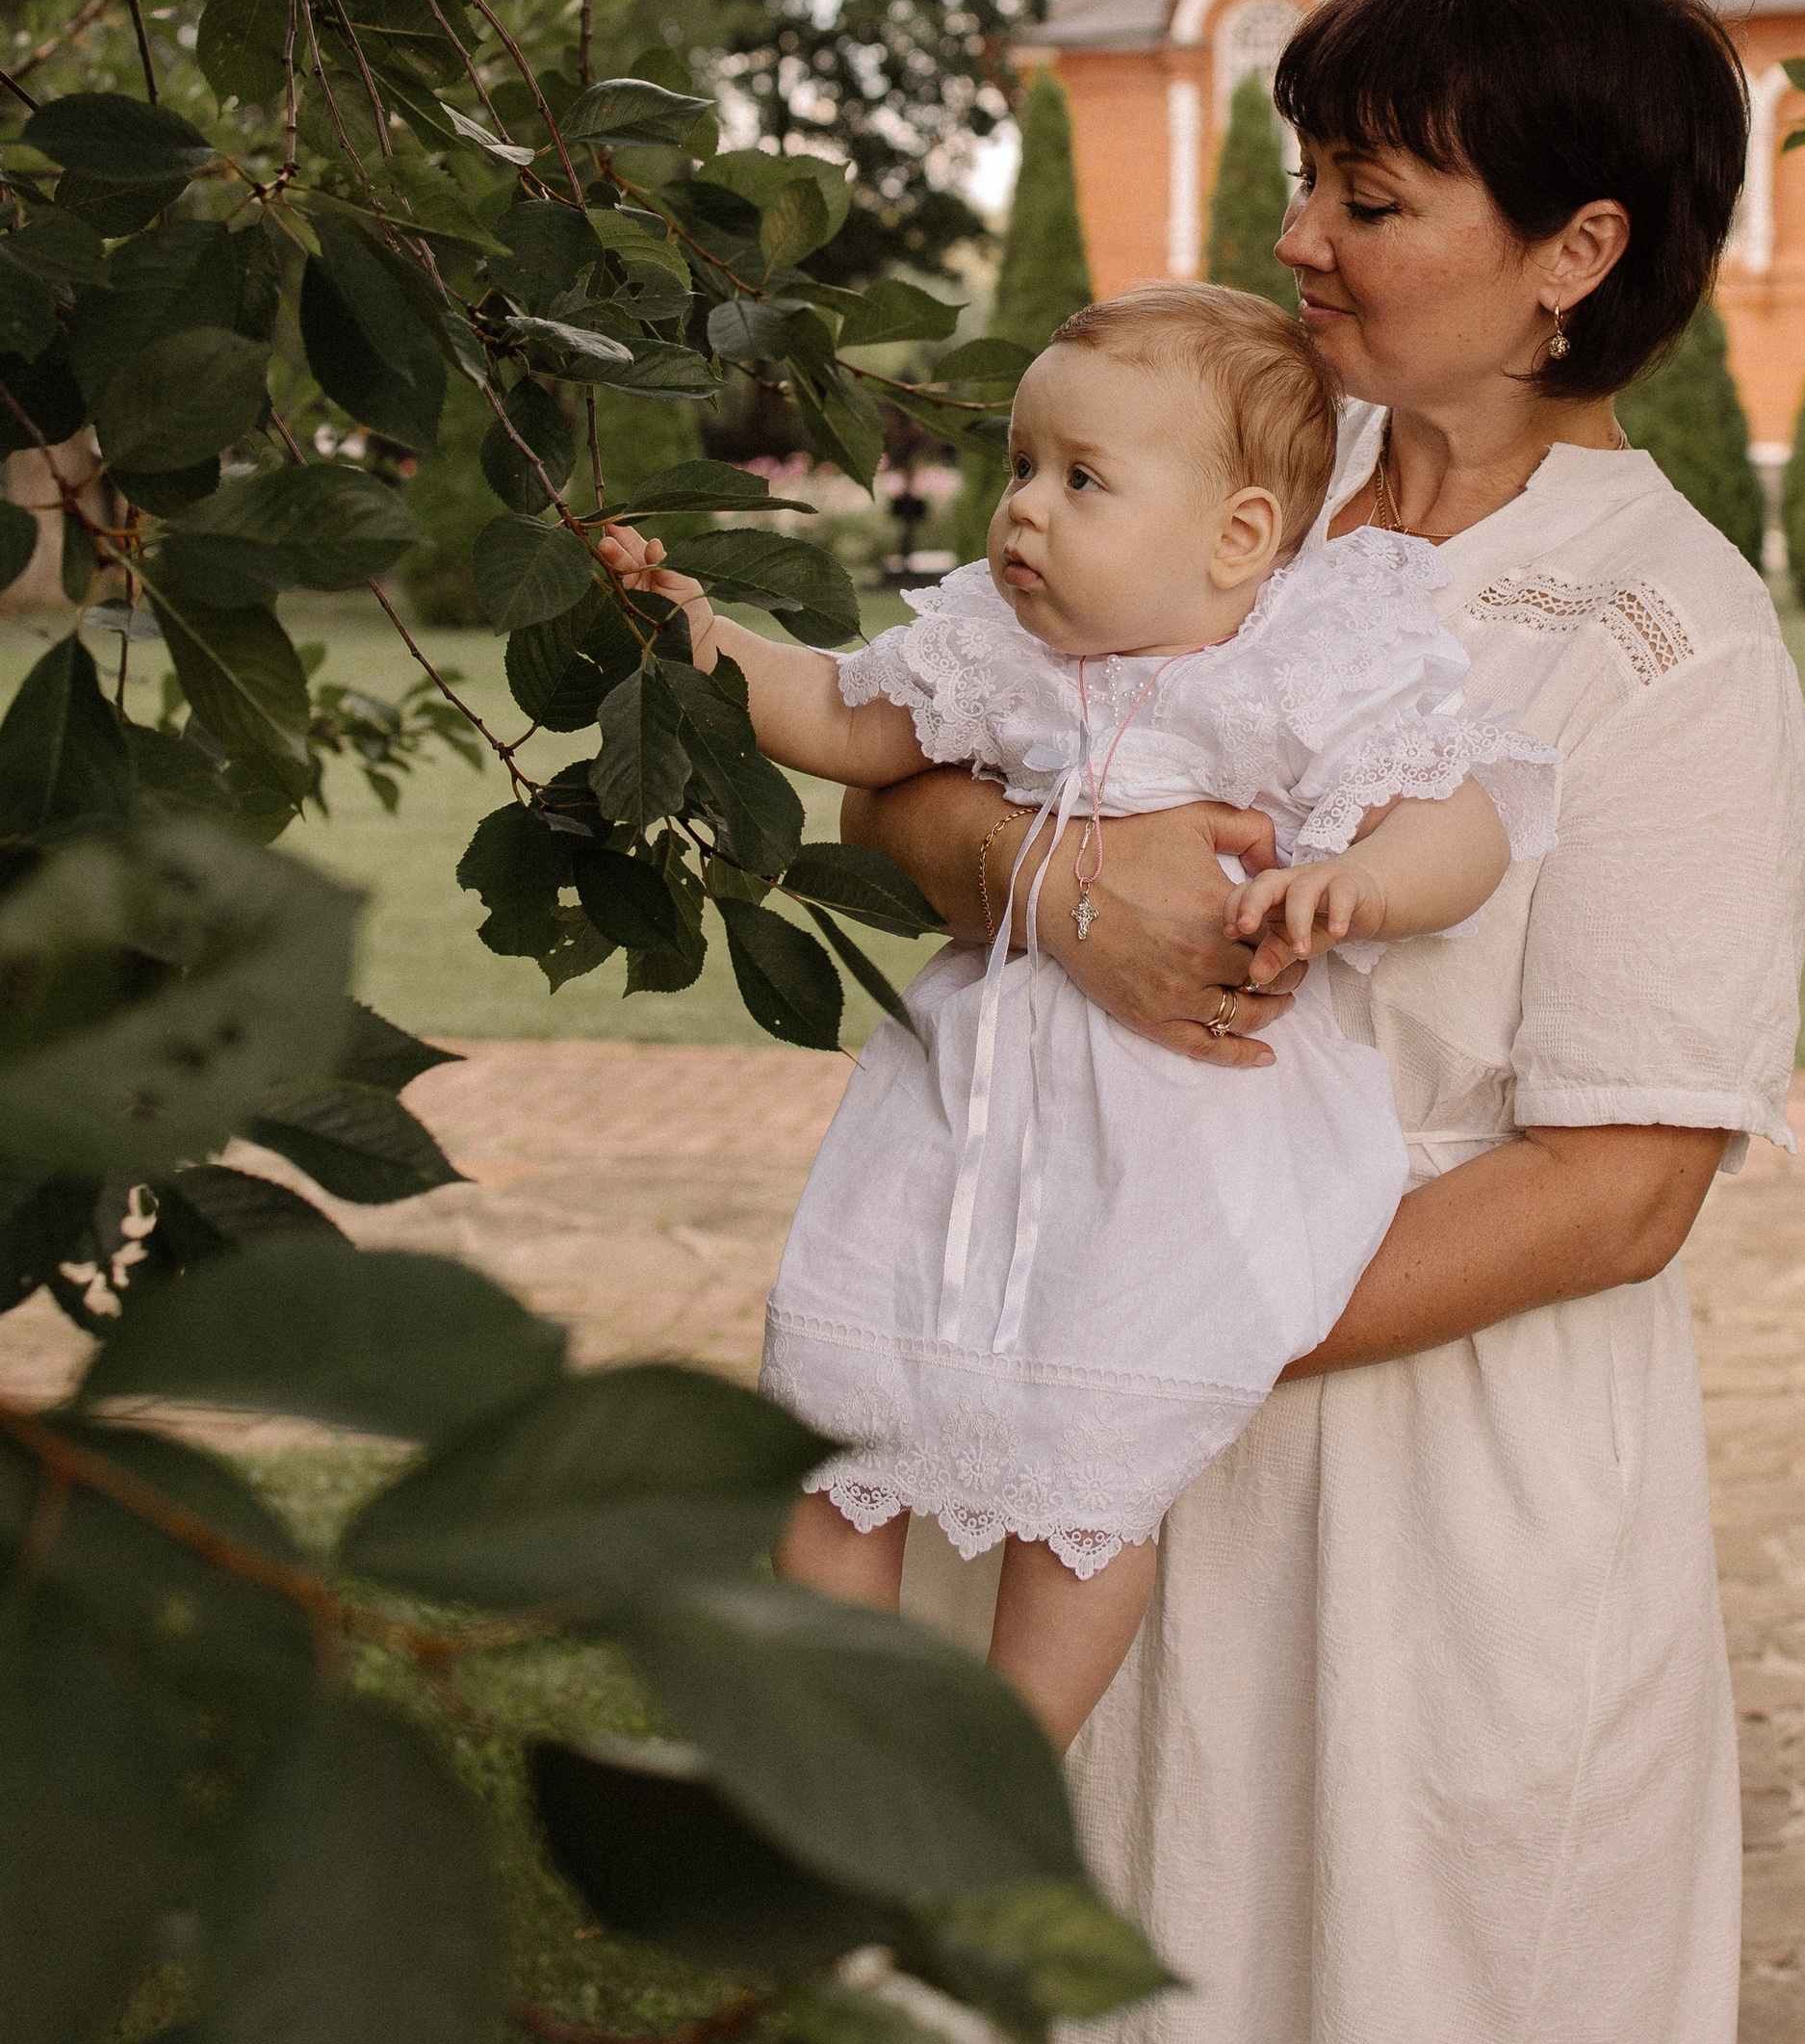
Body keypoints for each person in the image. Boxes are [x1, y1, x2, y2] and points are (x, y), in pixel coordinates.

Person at [843, 0, 1805, 2044]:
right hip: (1103, 1490)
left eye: (1369, 197)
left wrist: (1173, 1315)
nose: (1296, 239)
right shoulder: (1223, 490)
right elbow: (914, 792)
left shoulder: (1655, 651)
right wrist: (1063, 894)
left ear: (1574, 257)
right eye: (1305, 179)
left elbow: (1623, 1187)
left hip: (1422, 1525)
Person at [598, 282, 1555, 1748]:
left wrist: (1359, 882)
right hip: (961, 1109)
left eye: (1082, 480)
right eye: (1022, 468)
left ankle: (1000, 1763)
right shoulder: (1001, 654)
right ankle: (818, 1743)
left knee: (1088, 1496)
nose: (1025, 512)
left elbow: (1466, 816)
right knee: (842, 1418)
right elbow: (843, 719)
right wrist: (695, 636)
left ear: (1237, 535)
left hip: (1174, 1135)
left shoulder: (1306, 664)